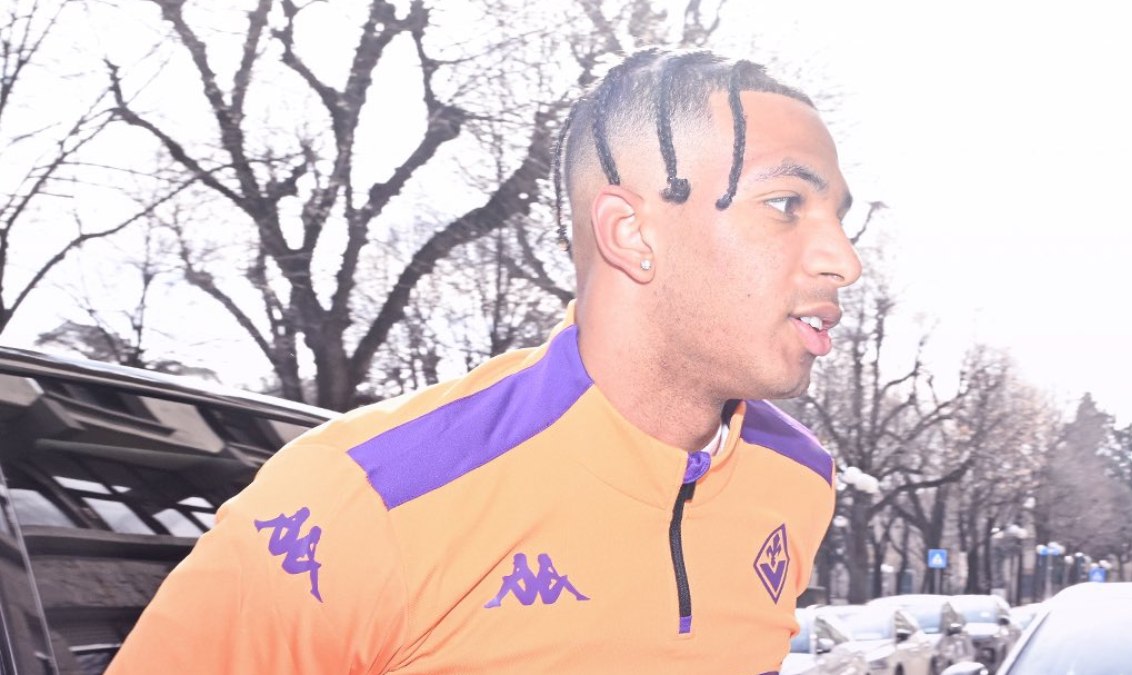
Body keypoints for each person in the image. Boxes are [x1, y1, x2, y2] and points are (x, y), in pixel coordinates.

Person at [107, 46, 861, 674]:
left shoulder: (799, 478)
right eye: (786, 204)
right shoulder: (363, 496)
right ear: (632, 234)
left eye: (838, 216)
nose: (844, 260)